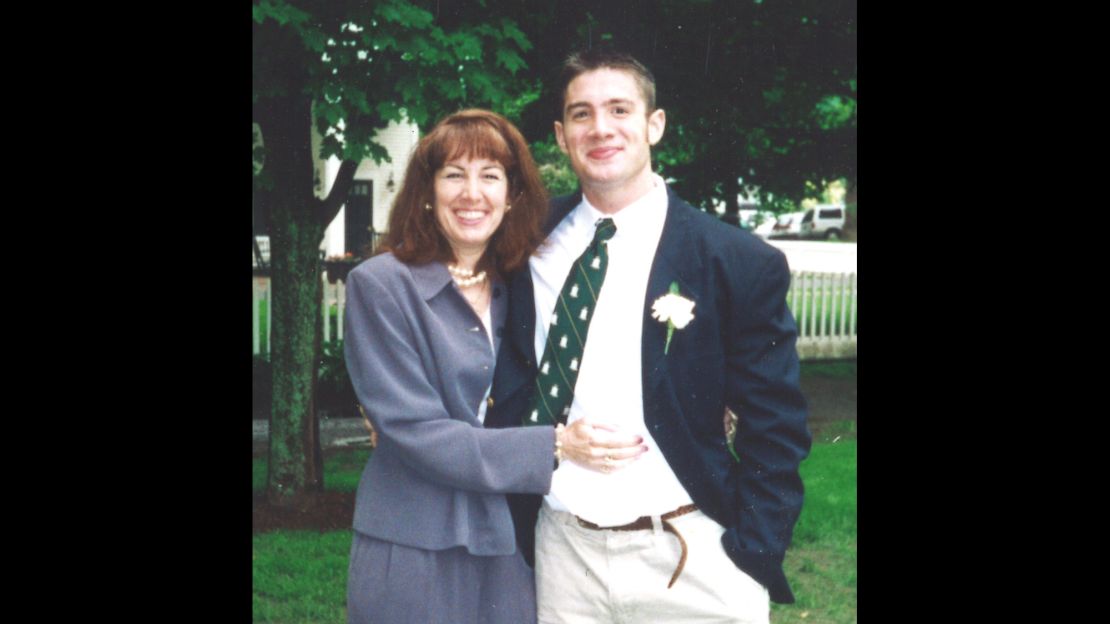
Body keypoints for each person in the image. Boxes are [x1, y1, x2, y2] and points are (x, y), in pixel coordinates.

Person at [485, 50, 812, 623]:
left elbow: (776, 426)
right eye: (581, 114)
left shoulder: (734, 260)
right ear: (562, 136)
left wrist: (753, 548)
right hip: (562, 558)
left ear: (653, 124)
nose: (601, 128)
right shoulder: (522, 243)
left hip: (694, 558)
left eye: (619, 109)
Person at [342, 108, 647, 624]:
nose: (471, 194)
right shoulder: (380, 285)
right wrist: (555, 444)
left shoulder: (520, 284)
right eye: (453, 175)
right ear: (426, 190)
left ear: (512, 196)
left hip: (503, 536)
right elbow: (416, 431)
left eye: (490, 176)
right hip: (413, 539)